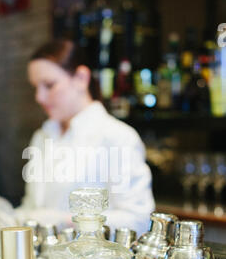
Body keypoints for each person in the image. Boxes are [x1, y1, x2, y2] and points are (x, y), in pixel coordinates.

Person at [11, 39, 155, 236]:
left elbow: (138, 221)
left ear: (81, 78)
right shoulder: (42, 136)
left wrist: (65, 221)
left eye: (49, 85)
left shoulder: (117, 137)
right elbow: (32, 209)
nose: (39, 97)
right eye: (36, 87)